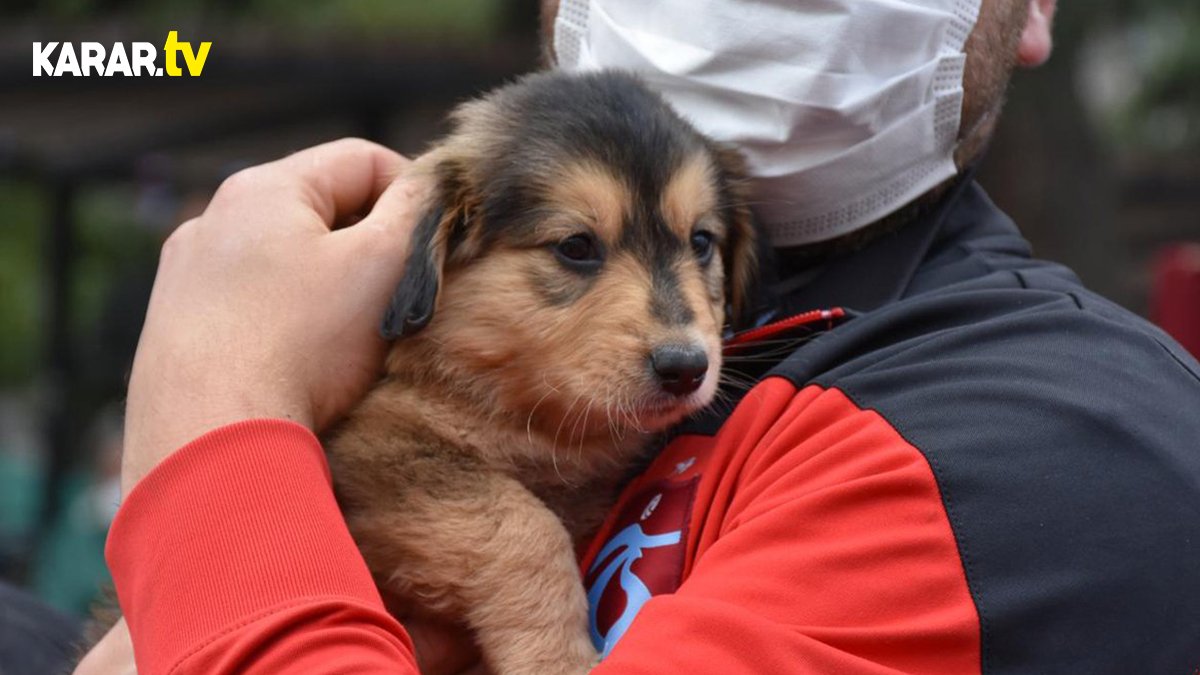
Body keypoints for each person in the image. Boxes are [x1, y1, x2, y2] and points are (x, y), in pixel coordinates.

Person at [78, 0, 1200, 673]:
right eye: (578, 250)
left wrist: (216, 406)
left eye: (702, 250)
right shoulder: (494, 318)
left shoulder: (1049, 454)